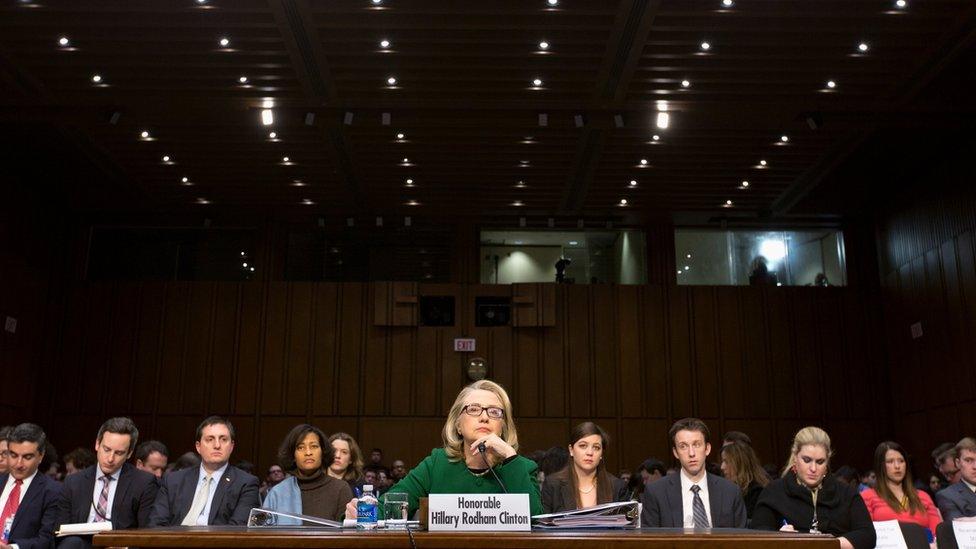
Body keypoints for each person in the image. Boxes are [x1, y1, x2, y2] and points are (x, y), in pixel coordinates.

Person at [345, 380, 543, 520]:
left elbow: (535, 522)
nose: (484, 417)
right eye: (474, 409)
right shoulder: (437, 463)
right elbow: (391, 508)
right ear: (457, 424)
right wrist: (360, 511)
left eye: (494, 412)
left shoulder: (522, 467)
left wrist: (509, 456)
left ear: (503, 426)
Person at [751, 426, 875, 549]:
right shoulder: (774, 491)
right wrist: (779, 537)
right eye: (807, 460)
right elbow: (757, 535)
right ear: (795, 458)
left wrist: (827, 545)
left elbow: (867, 535)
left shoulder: (846, 493)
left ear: (827, 462)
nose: (813, 469)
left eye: (820, 462)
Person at [55, 417, 159, 549]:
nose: (110, 459)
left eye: (119, 453)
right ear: (97, 444)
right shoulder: (74, 482)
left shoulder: (144, 483)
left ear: (129, 454)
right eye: (107, 449)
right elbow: (59, 530)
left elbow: (147, 533)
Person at [148, 416, 260, 526]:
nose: (217, 445)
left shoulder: (246, 484)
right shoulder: (173, 480)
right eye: (210, 439)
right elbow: (156, 524)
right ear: (198, 447)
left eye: (223, 439)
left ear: (231, 446)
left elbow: (236, 531)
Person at [641, 418, 746, 528]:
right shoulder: (656, 493)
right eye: (683, 446)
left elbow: (742, 539)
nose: (691, 453)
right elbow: (650, 541)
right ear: (676, 452)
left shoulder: (730, 492)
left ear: (707, 449)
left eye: (696, 444)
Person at [263, 424, 353, 522]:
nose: (308, 452)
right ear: (293, 455)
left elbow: (347, 534)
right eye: (301, 448)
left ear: (323, 451)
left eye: (314, 446)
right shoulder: (277, 493)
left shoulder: (340, 489)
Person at [859, 441, 941, 539]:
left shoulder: (923, 496)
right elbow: (865, 536)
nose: (897, 466)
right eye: (890, 461)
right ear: (880, 466)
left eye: (901, 461)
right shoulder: (867, 496)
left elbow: (938, 534)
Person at [0, 423, 63, 549]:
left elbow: (47, 540)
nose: (19, 464)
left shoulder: (52, 491)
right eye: (13, 455)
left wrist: (12, 548)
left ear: (41, 456)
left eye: (27, 457)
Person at [541, 422, 627, 513]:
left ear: (601, 454)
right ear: (571, 450)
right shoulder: (553, 484)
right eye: (583, 446)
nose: (590, 452)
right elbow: (543, 524)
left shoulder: (617, 486)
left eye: (596, 447)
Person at [720, 441, 769, 521]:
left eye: (726, 461)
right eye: (722, 461)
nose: (722, 467)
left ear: (739, 464)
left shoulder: (757, 492)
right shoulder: (724, 489)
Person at [935, 436, 976, 521]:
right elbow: (960, 528)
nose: (975, 466)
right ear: (958, 463)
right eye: (968, 460)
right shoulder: (947, 496)